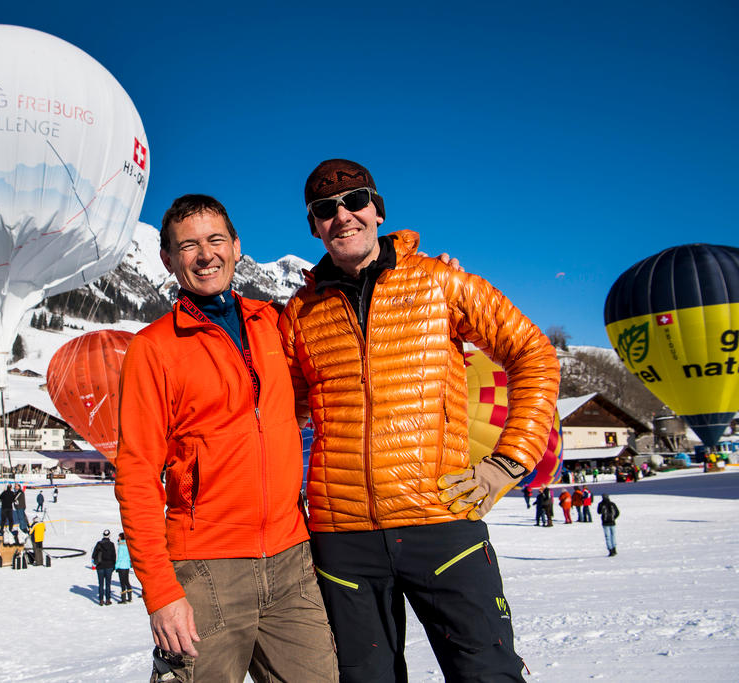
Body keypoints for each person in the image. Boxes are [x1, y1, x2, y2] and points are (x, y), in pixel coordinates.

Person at [278, 159, 560, 682]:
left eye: (355, 200)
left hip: (441, 520)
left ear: (377, 210)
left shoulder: (440, 282)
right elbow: (285, 416)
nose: (342, 216)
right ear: (314, 226)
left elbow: (534, 354)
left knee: (487, 673)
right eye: (324, 209)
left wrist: (508, 462)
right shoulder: (300, 311)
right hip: (343, 539)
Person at [116, 195, 337, 682]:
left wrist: (409, 272)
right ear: (168, 260)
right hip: (205, 570)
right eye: (188, 246)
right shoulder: (152, 348)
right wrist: (161, 592)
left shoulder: (276, 322)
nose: (205, 255)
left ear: (237, 247)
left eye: (216, 240)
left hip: (292, 560)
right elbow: (135, 476)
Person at [91, 529, 116, 606]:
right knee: (108, 584)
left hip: (100, 566)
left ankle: (101, 600)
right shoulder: (111, 544)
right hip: (109, 566)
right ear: (109, 535)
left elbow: (93, 555)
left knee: (101, 584)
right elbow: (114, 556)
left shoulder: (98, 544)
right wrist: (113, 565)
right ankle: (108, 599)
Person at [115, 531, 133, 604]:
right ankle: (130, 597)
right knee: (127, 581)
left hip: (121, 566)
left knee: (122, 582)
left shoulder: (121, 546)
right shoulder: (128, 545)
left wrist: (116, 566)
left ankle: (123, 599)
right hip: (127, 565)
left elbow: (119, 557)